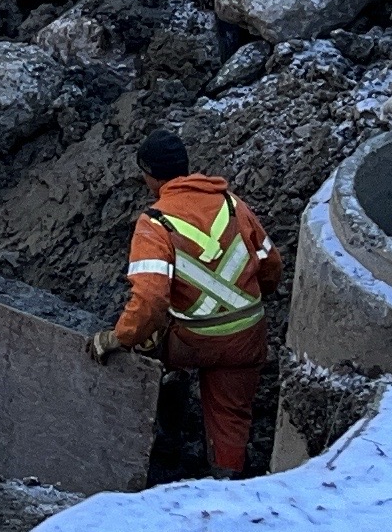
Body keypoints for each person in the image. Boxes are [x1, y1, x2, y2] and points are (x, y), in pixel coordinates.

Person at [88, 126, 277, 479]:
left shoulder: (155, 223)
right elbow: (271, 267)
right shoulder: (233, 206)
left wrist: (118, 338)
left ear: (149, 176)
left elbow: (149, 300)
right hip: (248, 335)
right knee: (230, 416)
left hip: (193, 341)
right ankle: (228, 483)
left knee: (147, 344)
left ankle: (167, 433)